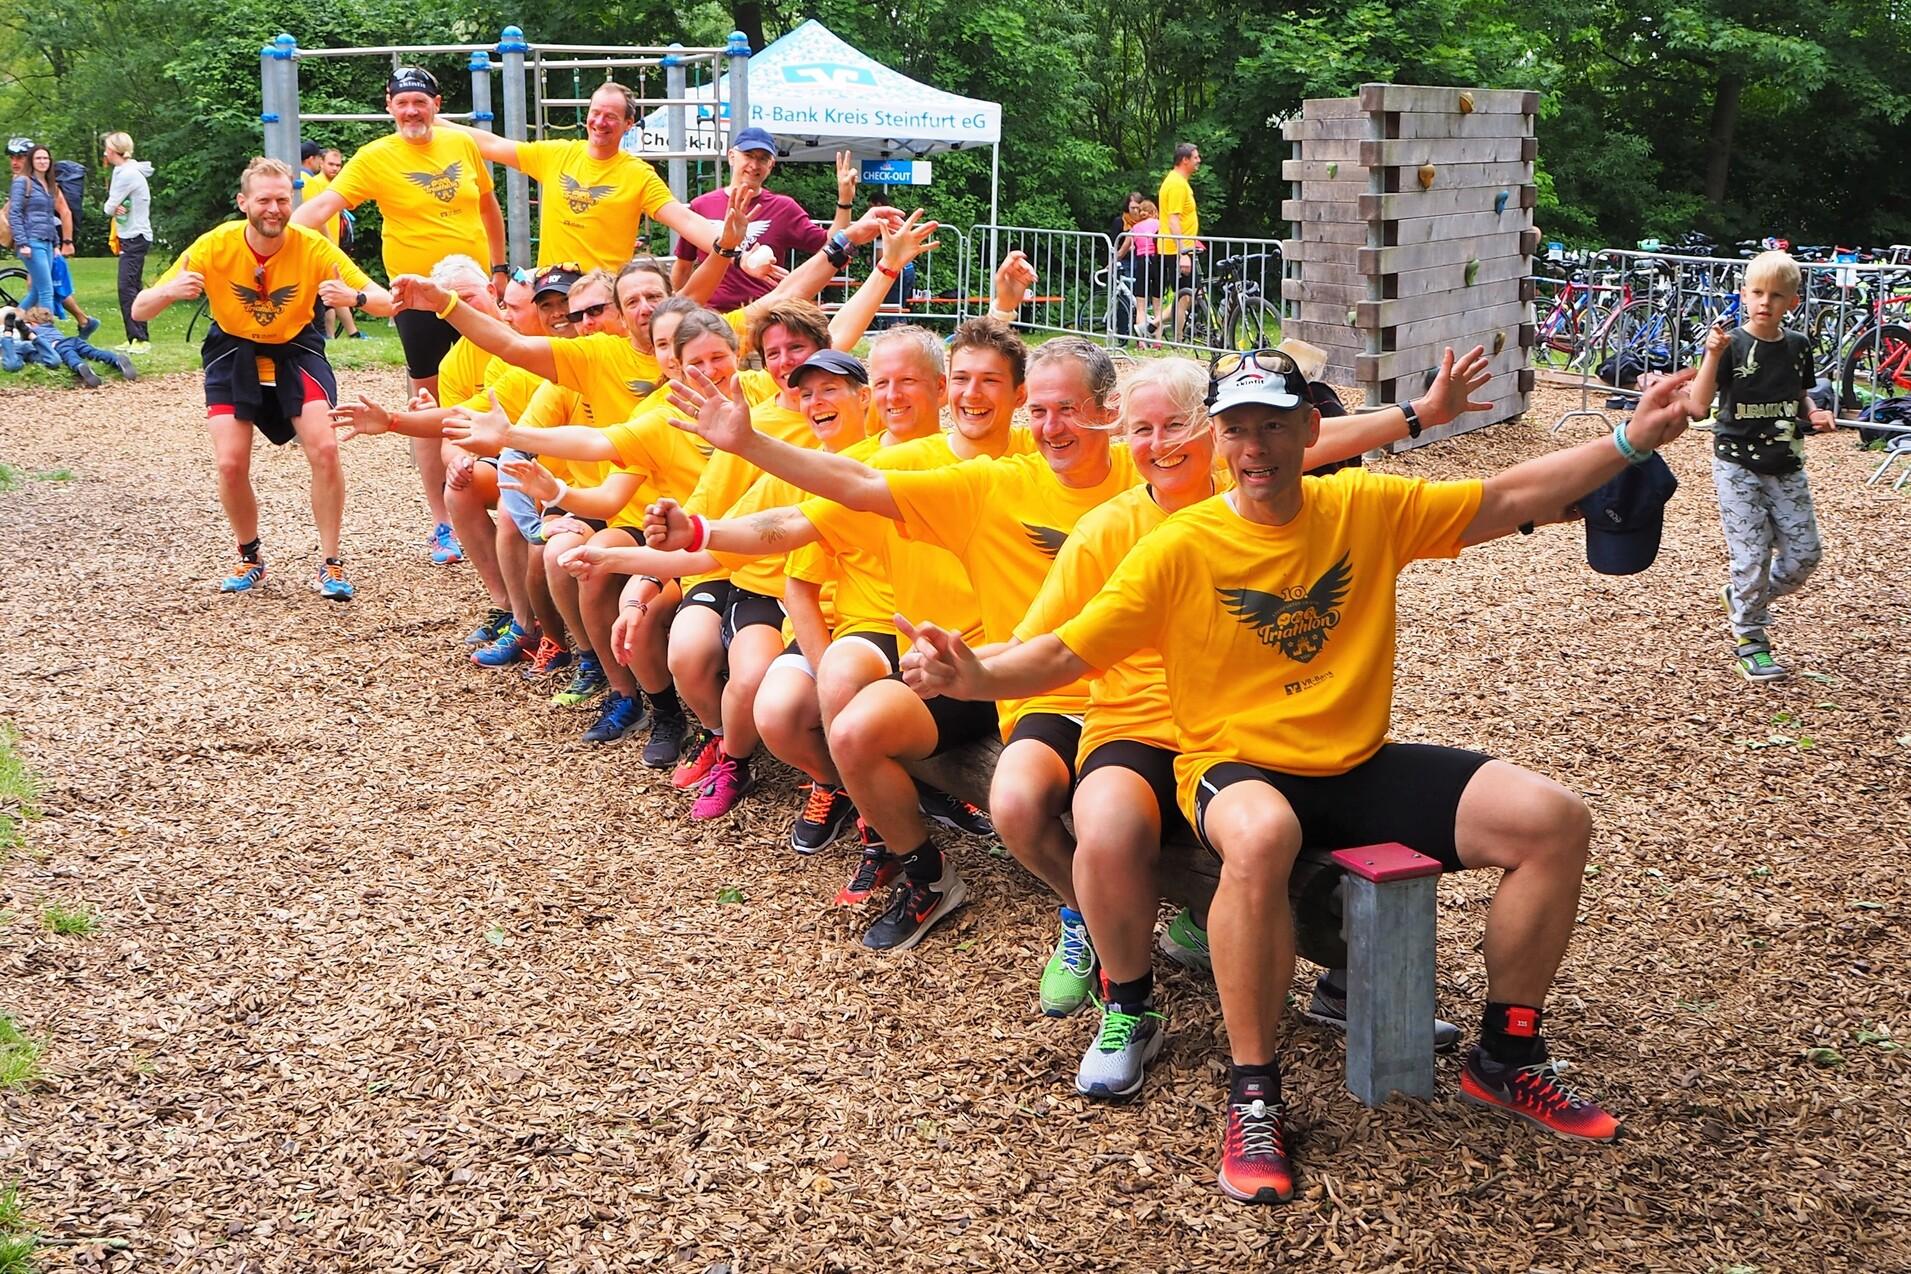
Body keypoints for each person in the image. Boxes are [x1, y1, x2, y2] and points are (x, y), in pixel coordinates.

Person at [897, 352, 1699, 1205]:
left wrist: (1628, 437)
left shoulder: (1362, 506)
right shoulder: (1179, 545)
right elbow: (1062, 649)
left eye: (1273, 424)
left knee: (1552, 820)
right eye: (1237, 429)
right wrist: (968, 677)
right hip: (1233, 767)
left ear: (1308, 430)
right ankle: (1253, 1095)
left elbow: (1505, 497)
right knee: (1261, 833)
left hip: (1351, 763)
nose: (1255, 446)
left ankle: (1505, 1052)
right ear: (1220, 439)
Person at [133, 157, 395, 600]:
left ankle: (331, 563)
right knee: (230, 463)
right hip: (234, 350)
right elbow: (141, 309)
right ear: (243, 203)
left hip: (296, 349)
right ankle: (250, 557)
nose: (273, 209)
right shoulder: (216, 244)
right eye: (264, 200)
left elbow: (387, 302)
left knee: (326, 449)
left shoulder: (311, 246)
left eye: (282, 200)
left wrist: (357, 296)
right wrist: (167, 292)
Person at [292, 65, 508, 566]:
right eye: (402, 102)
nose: (411, 110)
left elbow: (488, 207)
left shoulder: (463, 147)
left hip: (474, 289)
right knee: (429, 404)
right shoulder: (375, 158)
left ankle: (505, 497)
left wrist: (498, 267)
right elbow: (324, 205)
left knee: (500, 383)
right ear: (389, 106)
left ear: (437, 104)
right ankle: (443, 521)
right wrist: (276, 237)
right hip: (415, 297)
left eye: (421, 101)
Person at [1684, 250, 1834, 681]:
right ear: (1744, 295)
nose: (1765, 301)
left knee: (1805, 556)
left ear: (1793, 301)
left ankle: (1743, 597)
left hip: (1786, 463)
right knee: (1751, 557)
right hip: (1737, 466)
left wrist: (1815, 411)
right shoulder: (1732, 344)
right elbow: (1697, 405)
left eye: (1776, 295)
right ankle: (1751, 639)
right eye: (1757, 292)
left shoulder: (1798, 346)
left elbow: (1799, 394)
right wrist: (1712, 354)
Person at [437, 81, 730, 274]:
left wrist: (734, 247)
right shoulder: (556, 155)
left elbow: (685, 219)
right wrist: (431, 119)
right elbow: (493, 145)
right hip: (552, 289)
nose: (600, 122)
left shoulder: (638, 174)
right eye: (595, 113)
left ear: (628, 124)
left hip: (602, 295)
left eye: (611, 117)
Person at [670, 128, 855, 311]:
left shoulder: (783, 208)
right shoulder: (702, 205)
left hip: (763, 317)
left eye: (762, 158)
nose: (754, 164)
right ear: (732, 156)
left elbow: (831, 244)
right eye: (748, 155)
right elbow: (683, 266)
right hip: (712, 318)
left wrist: (845, 200)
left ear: (771, 165)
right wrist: (679, 314)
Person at [297, 140, 363, 342]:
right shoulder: (310, 182)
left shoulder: (322, 183)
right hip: (317, 244)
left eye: (338, 165)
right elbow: (316, 216)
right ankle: (335, 335)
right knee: (328, 290)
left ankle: (333, 336)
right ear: (315, 160)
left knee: (329, 291)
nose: (335, 168)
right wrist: (328, 242)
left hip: (323, 244)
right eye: (330, 163)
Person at [102, 132, 155, 354]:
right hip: (131, 236)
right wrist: (117, 206)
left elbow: (108, 207)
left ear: (115, 151)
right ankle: (134, 337)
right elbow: (116, 204)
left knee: (127, 288)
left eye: (107, 148)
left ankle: (141, 339)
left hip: (135, 237)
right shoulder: (124, 170)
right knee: (131, 287)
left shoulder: (126, 174)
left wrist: (114, 206)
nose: (104, 152)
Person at [8, 143, 72, 314]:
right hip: (31, 241)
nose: (42, 161)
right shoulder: (23, 181)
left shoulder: (49, 184)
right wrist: (22, 243)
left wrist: (56, 244)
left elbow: (50, 216)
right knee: (47, 290)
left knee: (37, 291)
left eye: (45, 158)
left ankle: (9, 323)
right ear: (31, 161)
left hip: (48, 241)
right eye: (38, 158)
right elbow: (14, 213)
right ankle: (48, 333)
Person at [14, 305, 135, 387]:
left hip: (59, 346)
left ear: (32, 323)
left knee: (71, 357)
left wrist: (21, 324)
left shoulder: (32, 328)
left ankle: (80, 366)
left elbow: (24, 331)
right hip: (73, 340)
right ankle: (116, 359)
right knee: (93, 352)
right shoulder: (50, 326)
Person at [1156, 143, 1202, 340]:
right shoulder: (1175, 184)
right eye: (1195, 157)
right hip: (1176, 250)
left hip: (1179, 248)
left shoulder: (1179, 182)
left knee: (1189, 295)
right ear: (1184, 160)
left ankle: (1169, 332)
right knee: (1186, 295)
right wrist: (1183, 252)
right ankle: (1169, 333)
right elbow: (1173, 219)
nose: (1199, 160)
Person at [1123, 198, 1161, 339]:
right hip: (1157, 261)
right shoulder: (1160, 224)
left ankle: (1142, 342)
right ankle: (1157, 341)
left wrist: (1113, 260)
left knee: (1141, 306)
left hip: (1141, 262)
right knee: (1157, 305)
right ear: (1154, 212)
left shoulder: (1135, 228)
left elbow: (1123, 250)